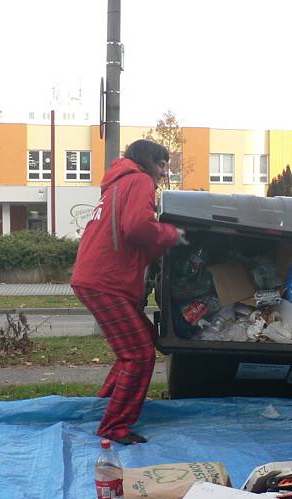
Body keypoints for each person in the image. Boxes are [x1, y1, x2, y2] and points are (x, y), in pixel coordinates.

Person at [71, 139, 187, 444]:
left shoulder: (117, 184)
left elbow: (129, 233)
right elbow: (136, 227)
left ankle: (104, 404)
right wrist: (172, 235)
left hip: (99, 278)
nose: (163, 172)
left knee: (140, 341)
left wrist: (157, 246)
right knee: (138, 355)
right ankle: (114, 425)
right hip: (106, 281)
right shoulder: (139, 180)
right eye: (161, 165)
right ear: (149, 161)